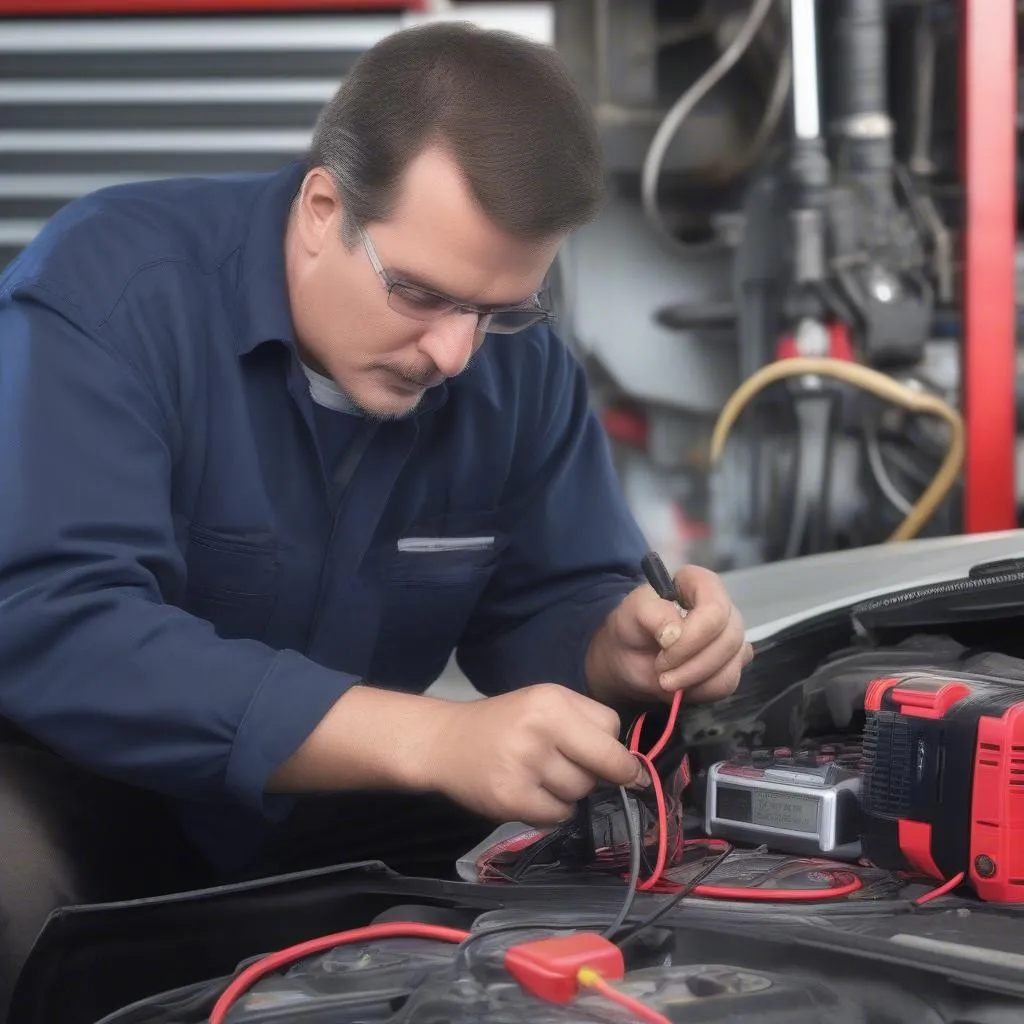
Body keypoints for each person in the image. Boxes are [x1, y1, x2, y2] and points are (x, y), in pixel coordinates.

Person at [0, 20, 751, 1011]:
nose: (454, 355)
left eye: (496, 308)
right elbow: (62, 623)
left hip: (339, 822)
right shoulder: (111, 294)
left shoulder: (509, 357)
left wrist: (621, 648)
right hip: (89, 797)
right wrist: (435, 740)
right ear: (323, 208)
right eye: (419, 294)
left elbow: (551, 595)